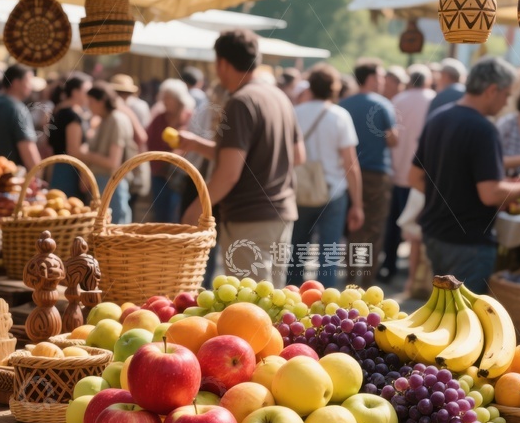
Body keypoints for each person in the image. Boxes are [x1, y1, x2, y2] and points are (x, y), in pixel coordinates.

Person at [409, 57, 520, 292]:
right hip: (468, 242)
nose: (507, 101)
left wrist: (450, 197)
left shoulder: (439, 117)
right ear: (491, 91)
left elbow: (414, 178)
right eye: (506, 95)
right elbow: (491, 194)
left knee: (444, 315)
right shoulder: (484, 129)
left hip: (435, 234)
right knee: (466, 321)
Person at [179, 29, 304, 287]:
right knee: (275, 302)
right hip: (281, 214)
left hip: (250, 219)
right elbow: (298, 156)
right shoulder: (279, 96)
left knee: (253, 309)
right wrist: (198, 145)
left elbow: (230, 172)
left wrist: (195, 211)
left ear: (223, 63)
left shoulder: (240, 101)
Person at [288, 63, 364, 286]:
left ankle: (293, 301)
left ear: (310, 86)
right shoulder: (340, 116)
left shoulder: (295, 113)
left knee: (296, 253)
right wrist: (357, 204)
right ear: (335, 88)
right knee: (329, 254)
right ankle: (326, 303)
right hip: (334, 191)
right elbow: (351, 164)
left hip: (299, 190)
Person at [340, 58, 398, 284]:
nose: (383, 81)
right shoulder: (383, 105)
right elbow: (393, 140)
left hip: (347, 173)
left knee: (353, 229)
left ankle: (349, 281)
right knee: (373, 231)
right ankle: (365, 285)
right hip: (376, 173)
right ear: (372, 78)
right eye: (381, 76)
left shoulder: (344, 104)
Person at [379, 64, 435, 284]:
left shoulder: (397, 100)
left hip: (396, 170)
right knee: (416, 225)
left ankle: (389, 266)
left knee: (393, 223)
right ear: (427, 81)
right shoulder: (433, 99)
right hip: (420, 174)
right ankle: (415, 275)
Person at [83, 82, 137, 224]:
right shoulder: (105, 119)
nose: (88, 105)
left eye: (91, 102)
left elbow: (113, 162)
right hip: (105, 182)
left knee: (116, 228)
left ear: (102, 102)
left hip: (112, 184)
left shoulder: (116, 120)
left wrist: (84, 155)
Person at [146, 79, 196, 223]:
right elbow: (149, 140)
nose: (165, 101)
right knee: (160, 214)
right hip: (159, 173)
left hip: (180, 175)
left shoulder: (189, 118)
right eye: (164, 97)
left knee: (176, 213)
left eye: (169, 98)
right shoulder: (159, 119)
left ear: (178, 99)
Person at [0, 64, 41, 170]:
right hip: (11, 180)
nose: (31, 86)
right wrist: (38, 174)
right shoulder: (18, 109)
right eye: (28, 81)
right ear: (16, 83)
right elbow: (28, 150)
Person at [48, 74, 91, 198]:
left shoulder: (59, 109)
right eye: (86, 91)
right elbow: (73, 150)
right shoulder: (71, 115)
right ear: (75, 92)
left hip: (58, 167)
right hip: (69, 171)